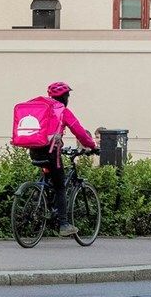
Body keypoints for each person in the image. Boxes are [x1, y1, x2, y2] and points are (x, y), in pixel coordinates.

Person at [28, 82, 98, 237]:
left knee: (48, 177)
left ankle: (38, 197)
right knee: (60, 186)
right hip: (52, 153)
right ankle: (64, 224)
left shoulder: (41, 110)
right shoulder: (63, 112)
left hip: (34, 151)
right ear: (65, 97)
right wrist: (92, 146)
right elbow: (79, 132)